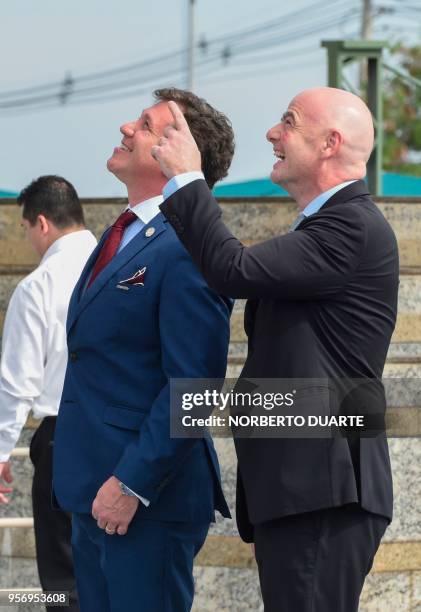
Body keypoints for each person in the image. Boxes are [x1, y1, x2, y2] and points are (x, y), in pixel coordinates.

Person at [152, 87, 399, 612]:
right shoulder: (331, 225)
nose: (272, 133)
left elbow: (232, 269)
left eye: (288, 122)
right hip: (308, 490)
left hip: (325, 489)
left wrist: (187, 178)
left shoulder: (350, 225)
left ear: (330, 143)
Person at [52, 88, 235, 612]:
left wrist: (132, 483)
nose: (126, 128)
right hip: (93, 490)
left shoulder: (189, 244)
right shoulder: (124, 232)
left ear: (180, 152)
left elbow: (195, 387)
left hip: (143, 499)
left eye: (147, 125)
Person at [0, 175, 97, 611]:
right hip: (129, 438)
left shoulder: (39, 285)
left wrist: (1, 452)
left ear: (41, 223)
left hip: (63, 439)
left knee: (63, 580)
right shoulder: (121, 264)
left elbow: (16, 384)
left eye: (23, 229)